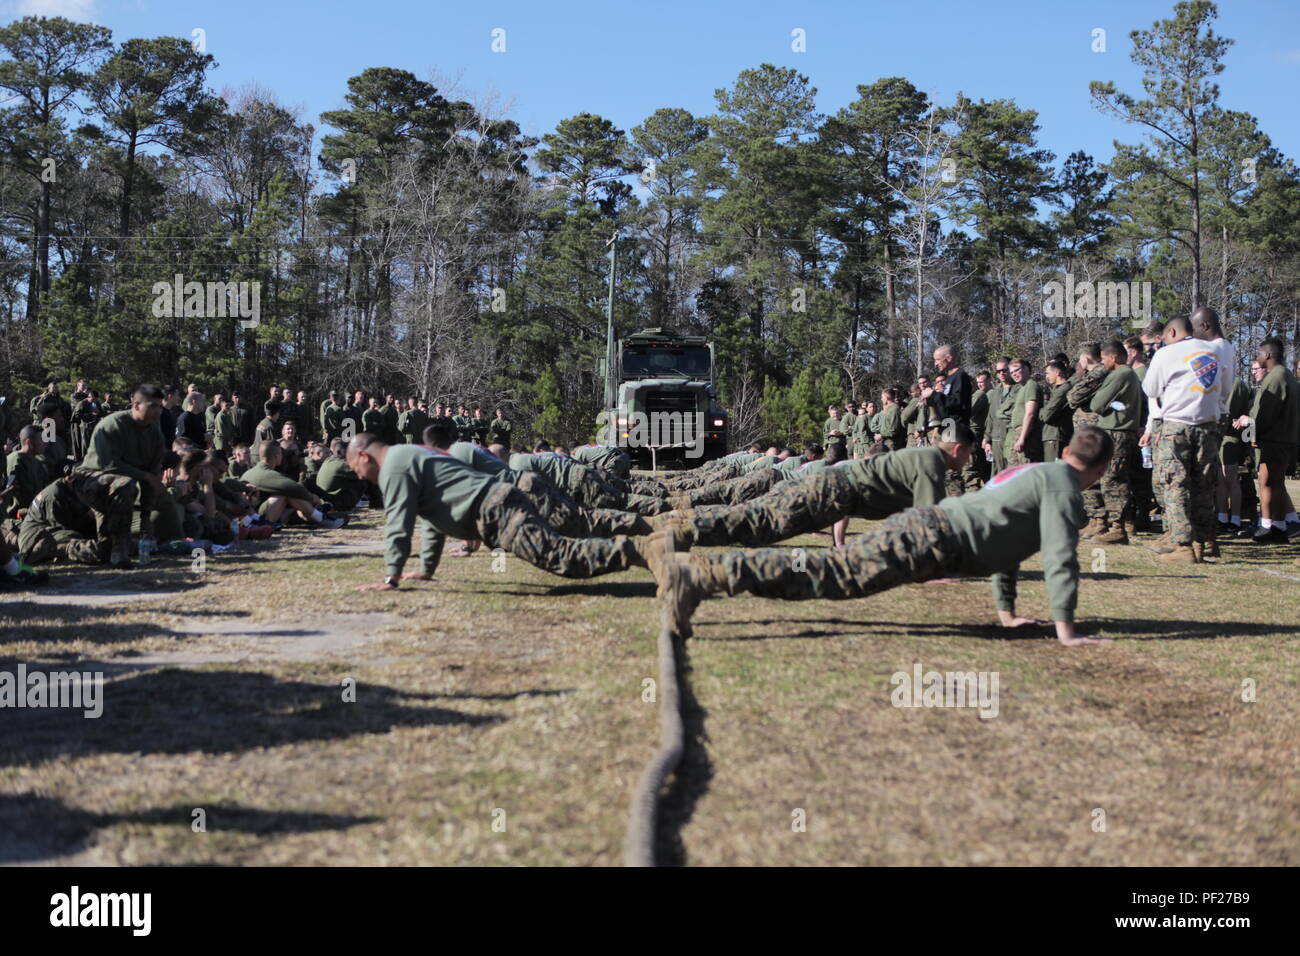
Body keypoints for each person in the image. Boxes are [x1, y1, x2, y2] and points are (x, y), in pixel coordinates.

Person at [653, 427, 1117, 649]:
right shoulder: (1063, 490)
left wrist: (1006, 613)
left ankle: (699, 570)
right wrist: (1067, 632)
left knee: (832, 571)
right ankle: (700, 574)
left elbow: (1011, 548)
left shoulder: (1038, 474)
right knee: (834, 575)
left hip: (929, 528)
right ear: (1100, 469)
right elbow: (1060, 559)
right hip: (931, 536)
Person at [345, 434, 658, 591]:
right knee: (575, 532)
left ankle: (647, 549)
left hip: (495, 509)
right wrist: (426, 569)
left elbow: (397, 524)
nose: (359, 477)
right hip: (501, 500)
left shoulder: (394, 468)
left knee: (562, 556)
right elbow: (429, 520)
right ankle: (651, 536)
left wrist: (391, 577)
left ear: (363, 456)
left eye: (355, 469)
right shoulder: (409, 455)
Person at [652, 426, 973, 550]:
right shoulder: (931, 461)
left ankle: (674, 523)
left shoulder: (923, 458)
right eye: (969, 454)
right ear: (958, 448)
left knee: (756, 517)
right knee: (761, 524)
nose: (969, 460)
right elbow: (928, 520)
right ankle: (672, 528)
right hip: (832, 490)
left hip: (831, 488)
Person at [1137, 315, 1228, 562]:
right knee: (1203, 486)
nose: (1162, 342)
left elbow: (1151, 389)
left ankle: (1183, 546)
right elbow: (1225, 388)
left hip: (1176, 427)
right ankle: (1203, 542)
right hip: (1208, 427)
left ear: (1173, 333)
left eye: (1164, 337)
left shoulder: (1166, 354)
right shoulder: (1214, 351)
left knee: (1175, 485)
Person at [72, 384, 168, 568]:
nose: (158, 411)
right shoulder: (113, 424)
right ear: (137, 405)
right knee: (125, 485)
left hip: (121, 486)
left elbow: (153, 477)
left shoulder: (155, 434)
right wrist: (145, 477)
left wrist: (145, 520)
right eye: (153, 406)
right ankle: (119, 550)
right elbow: (109, 465)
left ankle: (100, 549)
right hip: (89, 479)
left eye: (160, 406)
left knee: (102, 551)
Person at [1236, 338, 1299, 542]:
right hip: (1281, 437)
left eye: (1259, 353)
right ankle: (1276, 526)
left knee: (1271, 482)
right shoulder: (1285, 375)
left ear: (1268, 355)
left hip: (1275, 438)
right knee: (1272, 482)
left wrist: (1254, 433)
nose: (1257, 357)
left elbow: (1266, 413)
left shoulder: (1276, 377)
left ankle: (1274, 527)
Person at [1087, 341, 1142, 544]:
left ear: (1114, 357)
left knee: (1111, 479)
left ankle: (1118, 527)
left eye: (1104, 358)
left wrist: (1107, 403)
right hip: (1121, 431)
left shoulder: (1120, 374)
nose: (1102, 362)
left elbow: (1096, 403)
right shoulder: (1129, 374)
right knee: (1119, 478)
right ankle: (1122, 524)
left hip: (1116, 432)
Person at [241, 442, 347, 529]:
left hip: (257, 512)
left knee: (293, 501)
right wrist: (312, 498)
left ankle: (319, 516)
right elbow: (293, 487)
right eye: (281, 453)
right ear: (276, 456)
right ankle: (320, 518)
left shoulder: (252, 472)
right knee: (286, 492)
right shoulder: (266, 473)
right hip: (258, 518)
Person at [1004, 358, 1042, 466]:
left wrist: (1022, 438)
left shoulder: (1031, 385)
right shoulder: (1022, 388)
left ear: (1026, 369)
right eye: (1011, 372)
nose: (1014, 374)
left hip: (1027, 435)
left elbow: (1030, 414)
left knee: (1026, 469)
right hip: (1017, 433)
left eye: (1017, 370)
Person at [982, 359, 1013, 473]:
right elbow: (990, 418)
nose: (1001, 373)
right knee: (997, 474)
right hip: (996, 439)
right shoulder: (996, 392)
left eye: (1004, 370)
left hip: (1011, 438)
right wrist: (987, 439)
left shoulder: (1018, 389)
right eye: (998, 371)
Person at [1039, 360, 1074, 463]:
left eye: (1048, 373)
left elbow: (1046, 415)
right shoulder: (1055, 390)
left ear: (1057, 372)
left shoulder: (1063, 389)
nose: (1046, 376)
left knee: (1054, 471)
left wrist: (1041, 410)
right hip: (1052, 436)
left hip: (1056, 436)